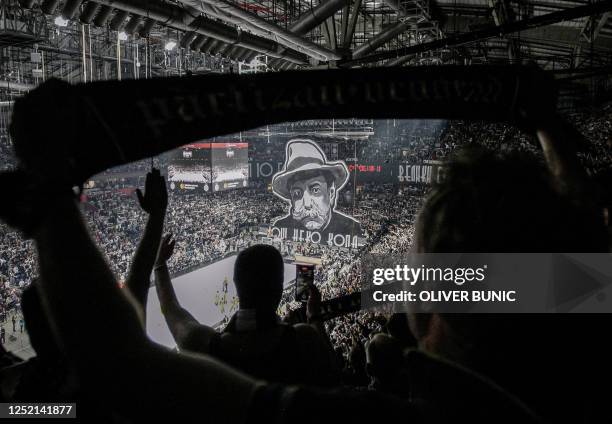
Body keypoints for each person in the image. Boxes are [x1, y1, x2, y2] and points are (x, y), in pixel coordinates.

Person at [154, 240, 338, 386]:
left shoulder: (204, 344)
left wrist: (159, 266)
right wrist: (314, 317)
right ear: (280, 287)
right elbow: (333, 376)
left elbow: (171, 309)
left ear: (235, 282)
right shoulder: (304, 339)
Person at [271, 140, 363, 244]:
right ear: (291, 199)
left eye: (315, 190)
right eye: (297, 194)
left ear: (331, 193)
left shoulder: (351, 229)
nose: (307, 204)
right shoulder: (280, 226)